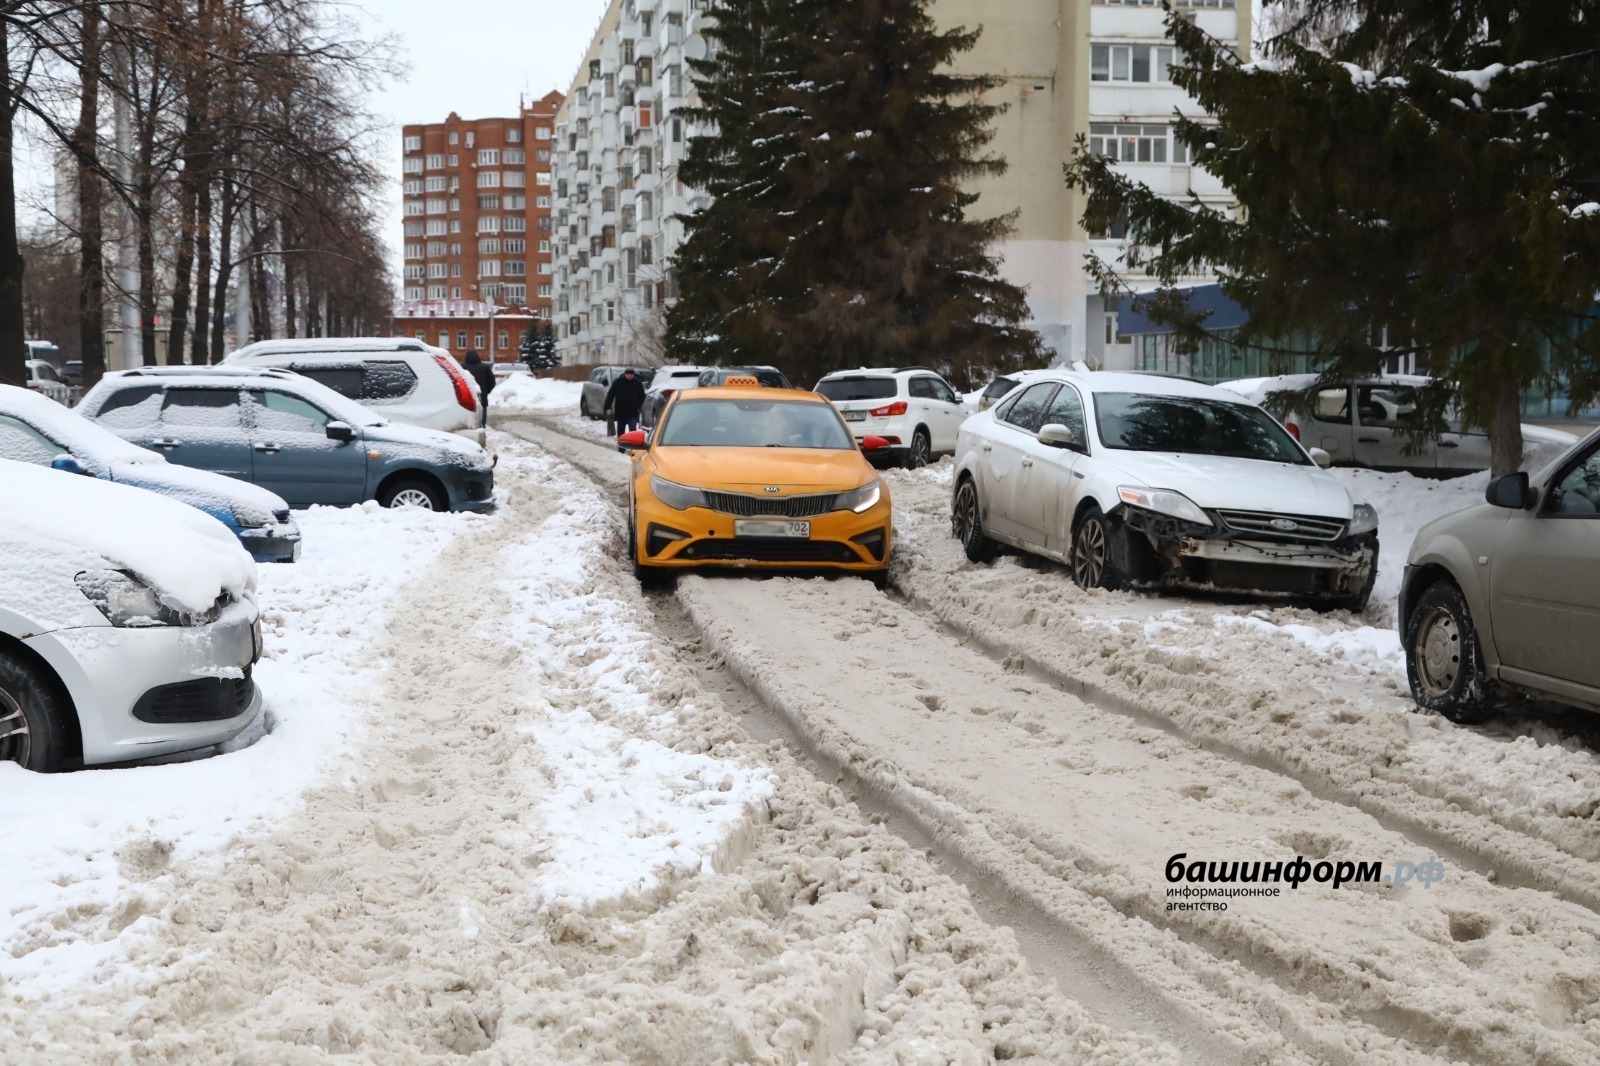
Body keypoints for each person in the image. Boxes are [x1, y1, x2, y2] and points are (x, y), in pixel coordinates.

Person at [604, 367, 647, 436]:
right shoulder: (618, 382)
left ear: (633, 375)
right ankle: (621, 446)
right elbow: (610, 395)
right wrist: (608, 407)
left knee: (632, 430)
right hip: (621, 411)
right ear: (625, 374)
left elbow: (642, 396)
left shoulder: (637, 383)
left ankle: (632, 445)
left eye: (631, 374)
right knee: (621, 431)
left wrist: (637, 406)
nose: (629, 376)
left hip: (632, 411)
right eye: (628, 374)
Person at [462, 351, 495, 428]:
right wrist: (486, 391)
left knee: (468, 414)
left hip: (467, 397)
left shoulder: (462, 367)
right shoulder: (485, 367)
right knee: (482, 414)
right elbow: (492, 382)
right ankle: (482, 428)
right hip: (482, 396)